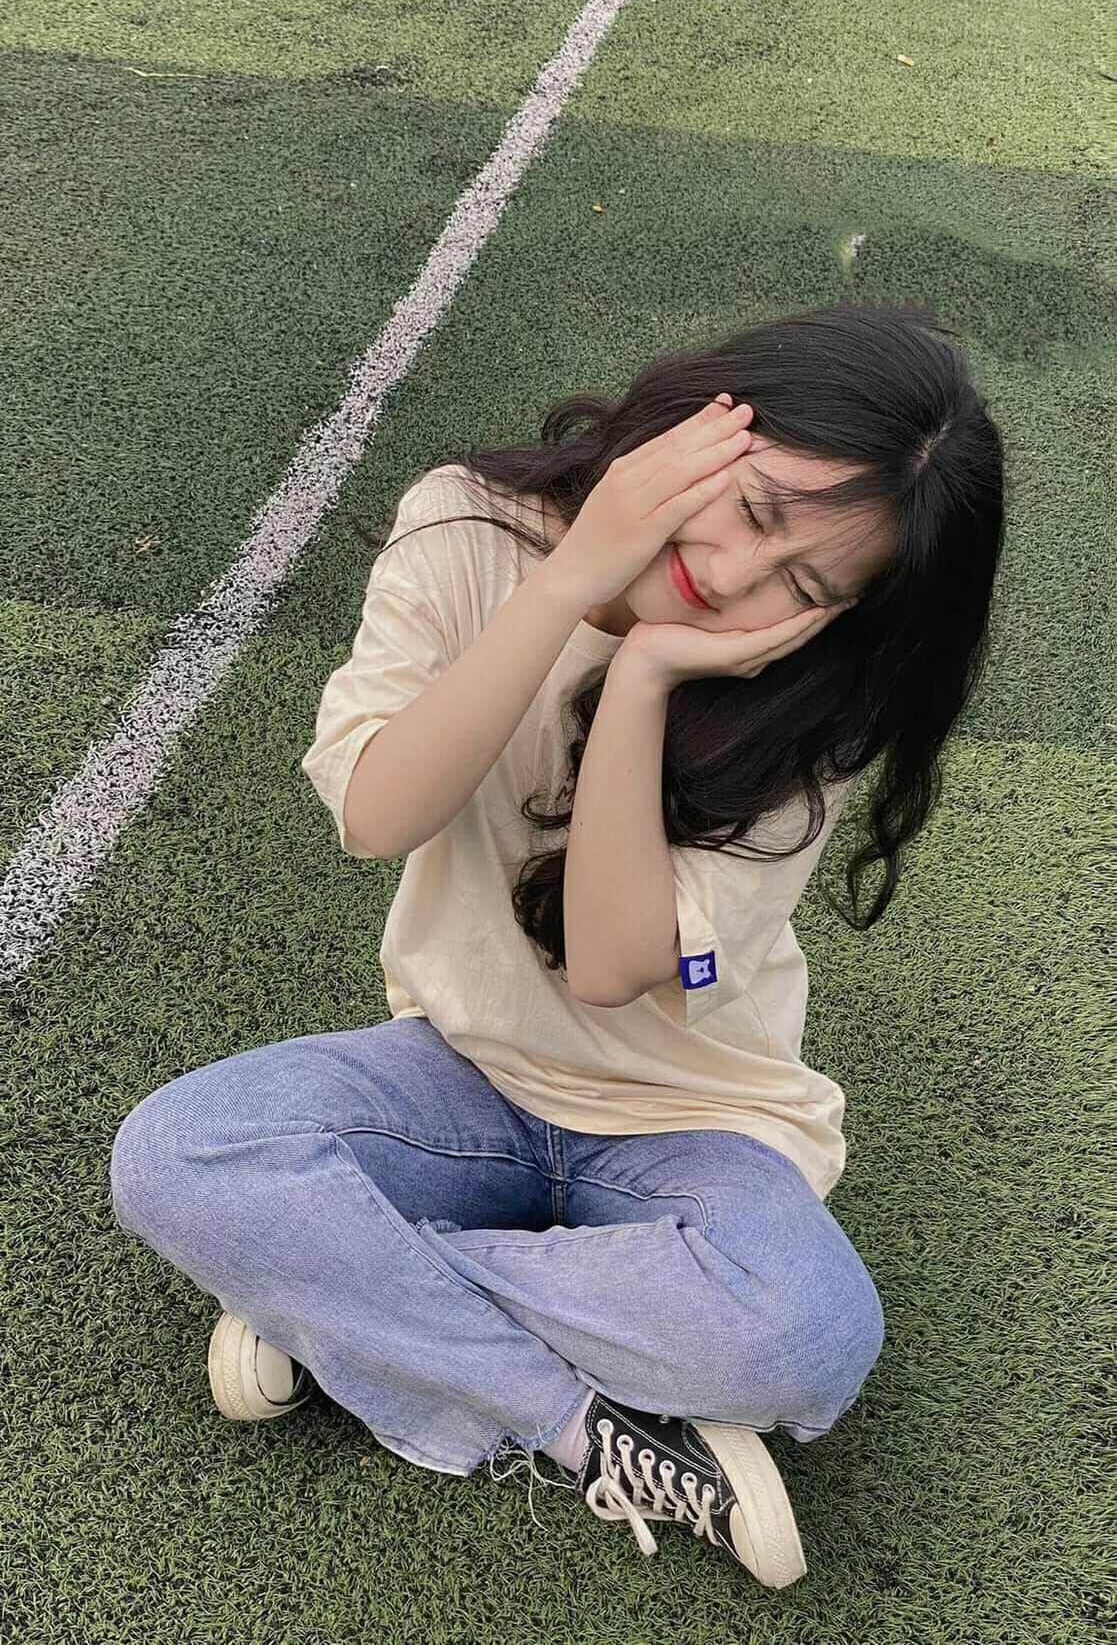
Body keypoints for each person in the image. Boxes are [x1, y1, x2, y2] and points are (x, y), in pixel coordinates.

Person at [110, 303, 1005, 1588]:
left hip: (694, 1124)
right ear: (705, 424)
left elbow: (605, 963)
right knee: (179, 1152)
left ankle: (337, 1302)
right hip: (464, 1075)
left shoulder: (803, 716)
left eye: (805, 587)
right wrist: (571, 585)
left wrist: (640, 680)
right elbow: (378, 814)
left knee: (808, 1336)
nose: (736, 578)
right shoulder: (464, 528)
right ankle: (583, 1426)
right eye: (753, 509)